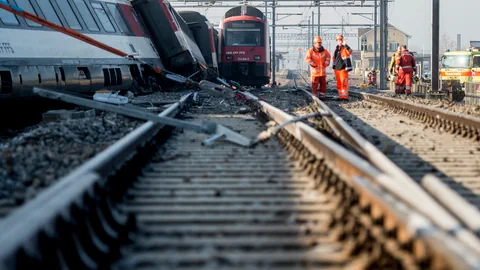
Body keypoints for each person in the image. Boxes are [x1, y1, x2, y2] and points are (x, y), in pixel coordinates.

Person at [332, 34, 353, 101]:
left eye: (340, 40)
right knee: (339, 84)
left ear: (342, 40)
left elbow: (350, 51)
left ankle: (345, 97)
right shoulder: (336, 50)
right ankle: (341, 96)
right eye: (338, 40)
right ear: (337, 41)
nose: (339, 42)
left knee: (344, 83)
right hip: (337, 70)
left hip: (343, 69)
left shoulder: (344, 49)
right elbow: (334, 58)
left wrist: (345, 45)